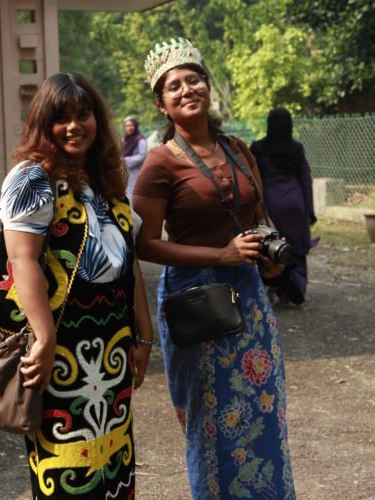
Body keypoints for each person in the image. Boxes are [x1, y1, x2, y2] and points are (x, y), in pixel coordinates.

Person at [133, 38, 296, 499]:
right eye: (174, 86)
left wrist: (268, 257)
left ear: (206, 85)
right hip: (196, 303)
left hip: (249, 296)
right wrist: (219, 255)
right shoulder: (160, 162)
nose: (187, 89)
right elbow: (144, 244)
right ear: (161, 104)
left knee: (263, 409)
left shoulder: (238, 148)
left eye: (194, 79)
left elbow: (259, 215)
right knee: (211, 421)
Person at [0, 72, 154, 499]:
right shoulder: (32, 179)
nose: (74, 126)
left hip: (111, 350)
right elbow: (22, 259)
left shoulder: (105, 181)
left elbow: (129, 263)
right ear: (44, 124)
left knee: (115, 462)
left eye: (84, 114)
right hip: (60, 353)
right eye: (61, 118)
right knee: (66, 469)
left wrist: (144, 335)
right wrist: (44, 339)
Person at [250, 107, 318, 306]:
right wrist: (310, 211)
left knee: (269, 245)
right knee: (294, 247)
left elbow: (252, 179)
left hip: (269, 204)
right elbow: (305, 181)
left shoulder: (258, 149)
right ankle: (293, 289)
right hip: (294, 204)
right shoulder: (296, 150)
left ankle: (270, 285)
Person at [122, 116, 147, 201]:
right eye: (127, 126)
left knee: (135, 195)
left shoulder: (140, 140)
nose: (129, 128)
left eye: (131, 125)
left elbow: (142, 156)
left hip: (136, 171)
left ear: (135, 126)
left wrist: (125, 160)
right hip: (125, 171)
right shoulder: (124, 139)